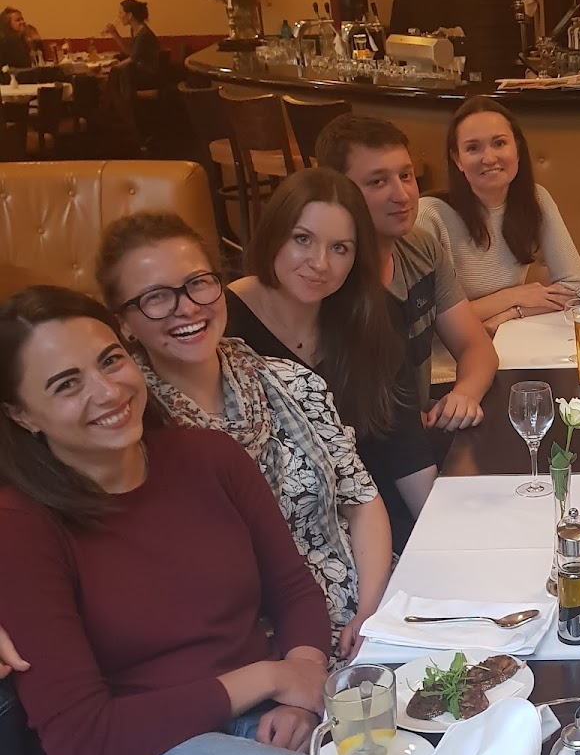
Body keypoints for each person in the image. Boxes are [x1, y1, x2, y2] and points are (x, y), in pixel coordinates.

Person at [0, 286, 330, 755]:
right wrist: (267, 678)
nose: (107, 392)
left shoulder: (208, 457)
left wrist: (302, 690)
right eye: (66, 385)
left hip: (266, 719)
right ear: (22, 415)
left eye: (110, 360)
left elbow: (293, 591)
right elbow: (88, 740)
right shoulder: (22, 528)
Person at [94, 212, 392, 657]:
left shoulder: (290, 382)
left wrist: (370, 614)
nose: (187, 307)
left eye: (197, 283)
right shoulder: (130, 429)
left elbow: (362, 501)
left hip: (365, 609)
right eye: (156, 297)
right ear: (123, 323)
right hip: (252, 652)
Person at [225, 167, 437, 554]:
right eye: (302, 239)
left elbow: (405, 447)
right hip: (278, 542)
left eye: (340, 248)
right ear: (273, 234)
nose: (320, 263)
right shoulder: (223, 324)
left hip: (376, 524)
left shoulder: (373, 312)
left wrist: (444, 539)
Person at [314, 114, 499, 431]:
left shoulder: (421, 248)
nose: (401, 195)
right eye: (377, 182)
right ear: (337, 190)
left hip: (419, 433)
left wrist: (464, 395)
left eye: (406, 176)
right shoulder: (324, 278)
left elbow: (476, 347)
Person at [419, 97, 580, 336]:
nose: (489, 158)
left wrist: (511, 314)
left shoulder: (536, 198)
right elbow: (428, 319)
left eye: (499, 143)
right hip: (449, 353)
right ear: (457, 160)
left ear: (517, 149)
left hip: (509, 340)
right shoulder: (429, 214)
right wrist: (511, 296)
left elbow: (575, 288)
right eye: (473, 148)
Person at [103, 0, 161, 89]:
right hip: (138, 70)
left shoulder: (143, 33)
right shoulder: (134, 30)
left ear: (129, 15)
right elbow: (129, 52)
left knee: (115, 76)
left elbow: (132, 59)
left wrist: (113, 68)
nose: (119, 16)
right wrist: (114, 33)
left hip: (148, 73)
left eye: (121, 13)